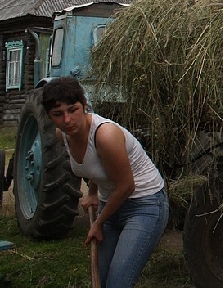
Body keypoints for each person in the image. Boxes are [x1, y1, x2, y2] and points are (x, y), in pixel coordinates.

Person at [42, 76, 169, 288]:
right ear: (49, 116)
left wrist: (98, 223)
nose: (67, 120)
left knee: (118, 283)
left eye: (73, 110)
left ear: (84, 104)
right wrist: (92, 193)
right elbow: (94, 167)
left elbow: (127, 186)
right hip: (111, 205)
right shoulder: (62, 135)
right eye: (58, 114)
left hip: (145, 204)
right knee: (101, 278)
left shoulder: (105, 135)